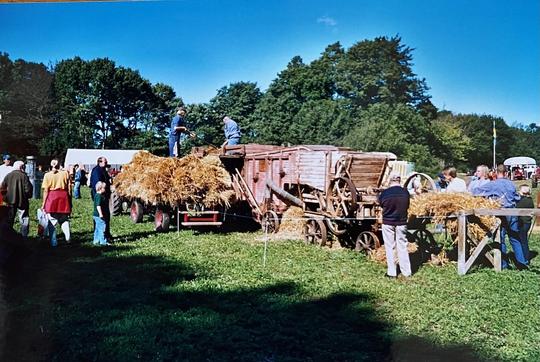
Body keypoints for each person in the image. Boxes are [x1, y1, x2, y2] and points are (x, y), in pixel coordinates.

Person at [474, 164, 527, 269]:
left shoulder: (492, 184)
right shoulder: (511, 184)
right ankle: (522, 264)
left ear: (495, 173)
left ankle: (503, 264)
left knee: (500, 238)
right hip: (511, 212)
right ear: (506, 173)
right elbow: (517, 198)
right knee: (514, 238)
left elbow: (476, 191)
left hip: (499, 213)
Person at [378, 173, 411, 278]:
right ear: (399, 181)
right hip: (402, 223)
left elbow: (381, 204)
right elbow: (407, 206)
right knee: (402, 246)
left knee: (390, 247)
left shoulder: (385, 193)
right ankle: (406, 272)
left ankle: (392, 273)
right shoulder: (405, 193)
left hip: (388, 222)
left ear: (390, 181)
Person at [42, 159, 72, 247]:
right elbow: (69, 187)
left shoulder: (47, 175)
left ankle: (53, 242)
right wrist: (69, 199)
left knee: (52, 221)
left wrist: (43, 203)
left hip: (52, 197)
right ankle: (68, 237)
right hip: (63, 196)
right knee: (64, 219)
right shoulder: (65, 173)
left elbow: (46, 190)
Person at [1, 161, 33, 237]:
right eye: (24, 167)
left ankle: (8, 236)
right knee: (24, 219)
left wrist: (5, 197)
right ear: (21, 167)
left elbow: (2, 187)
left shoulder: (8, 175)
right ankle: (24, 237)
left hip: (10, 202)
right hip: (23, 202)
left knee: (9, 220)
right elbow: (28, 189)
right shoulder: (24, 176)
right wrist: (27, 196)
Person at [90, 157, 112, 239]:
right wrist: (99, 196)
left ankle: (106, 233)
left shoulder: (103, 170)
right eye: (105, 162)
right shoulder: (96, 171)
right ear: (100, 162)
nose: (106, 163)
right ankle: (101, 235)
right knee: (101, 216)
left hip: (104, 196)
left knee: (106, 215)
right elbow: (97, 184)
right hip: (100, 196)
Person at [516, 184, 534, 262]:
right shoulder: (530, 200)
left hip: (522, 223)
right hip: (527, 222)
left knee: (523, 241)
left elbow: (516, 207)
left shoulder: (522, 201)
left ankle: (525, 258)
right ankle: (525, 257)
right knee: (524, 240)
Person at [93, 181, 110, 246]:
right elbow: (98, 206)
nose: (105, 189)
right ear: (100, 188)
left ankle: (96, 240)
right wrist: (101, 214)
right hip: (99, 215)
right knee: (102, 227)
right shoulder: (99, 196)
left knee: (97, 228)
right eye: (104, 188)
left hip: (96, 215)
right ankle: (103, 242)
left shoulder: (97, 195)